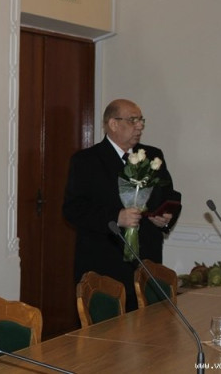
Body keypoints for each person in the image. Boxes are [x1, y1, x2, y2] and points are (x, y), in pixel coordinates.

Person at [62, 99, 181, 311]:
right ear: (113, 124)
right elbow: (73, 209)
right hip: (105, 262)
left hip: (146, 261)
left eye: (141, 120)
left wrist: (165, 218)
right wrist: (115, 217)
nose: (140, 126)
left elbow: (169, 195)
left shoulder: (153, 156)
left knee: (151, 327)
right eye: (133, 120)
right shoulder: (86, 160)